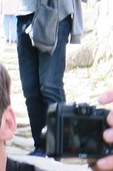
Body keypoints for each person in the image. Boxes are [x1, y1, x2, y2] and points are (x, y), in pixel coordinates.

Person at [16, 0, 84, 156]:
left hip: (56, 12)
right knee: (30, 89)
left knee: (50, 85)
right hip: (24, 13)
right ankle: (41, 146)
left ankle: (62, 146)